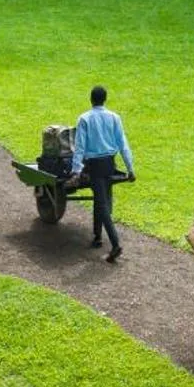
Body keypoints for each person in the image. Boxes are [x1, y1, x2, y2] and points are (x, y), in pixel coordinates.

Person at [73, 85, 133, 263]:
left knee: (102, 205)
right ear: (104, 99)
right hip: (110, 164)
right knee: (104, 200)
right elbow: (123, 144)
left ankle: (115, 245)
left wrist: (76, 171)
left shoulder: (84, 119)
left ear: (91, 99)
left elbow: (80, 147)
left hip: (94, 166)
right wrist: (130, 169)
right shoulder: (114, 117)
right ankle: (97, 236)